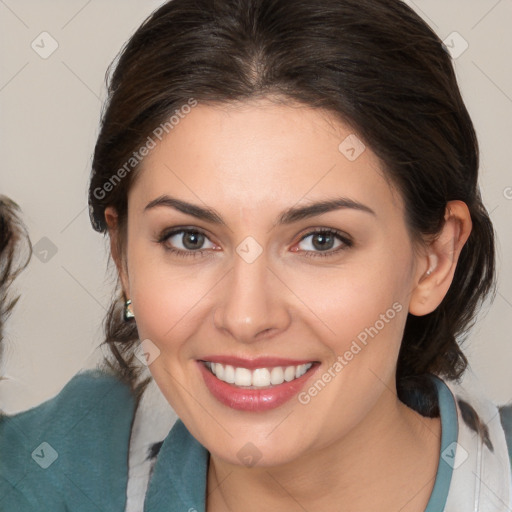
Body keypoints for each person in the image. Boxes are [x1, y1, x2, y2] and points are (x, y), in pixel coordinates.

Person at [1, 0, 511, 510]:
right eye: (190, 239)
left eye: (321, 240)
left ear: (435, 258)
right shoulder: (35, 477)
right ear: (123, 260)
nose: (246, 317)